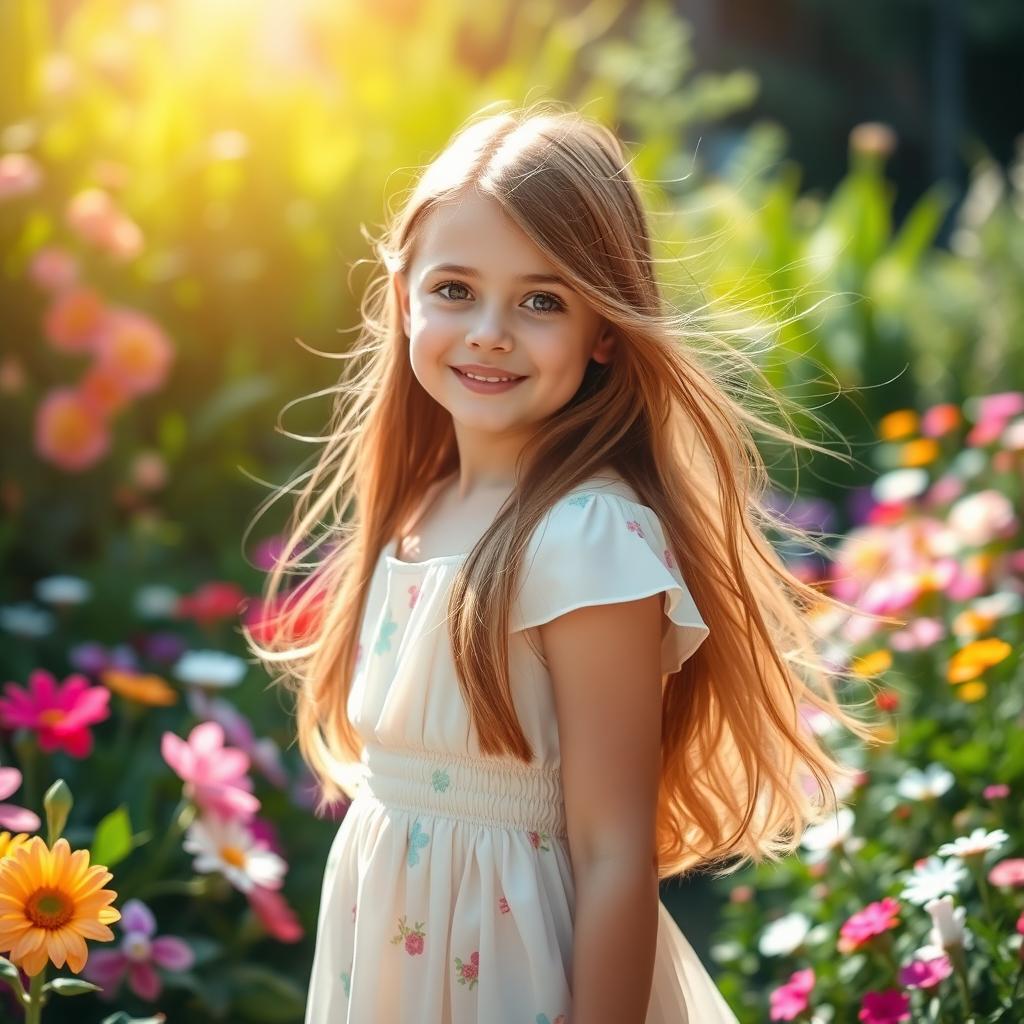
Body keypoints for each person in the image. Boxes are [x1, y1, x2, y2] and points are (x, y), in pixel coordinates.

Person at [246, 101, 880, 1024]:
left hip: (520, 978)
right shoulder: (417, 509)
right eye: (455, 289)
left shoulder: (585, 540)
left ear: (606, 332)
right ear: (403, 295)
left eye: (542, 301)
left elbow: (615, 854)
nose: (490, 331)